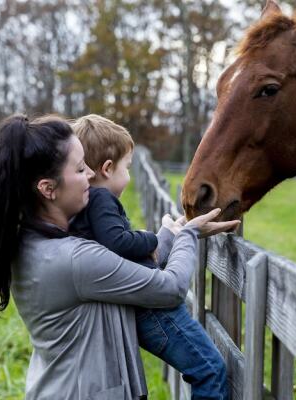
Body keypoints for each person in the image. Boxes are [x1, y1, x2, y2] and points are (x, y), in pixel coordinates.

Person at [0, 114, 239, 399]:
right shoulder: (74, 258)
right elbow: (171, 289)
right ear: (48, 188)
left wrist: (177, 233)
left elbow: (125, 267)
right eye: (81, 168)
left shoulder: (35, 243)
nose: (91, 175)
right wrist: (187, 236)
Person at [70, 114, 229, 399]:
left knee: (206, 366)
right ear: (107, 169)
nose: (128, 176)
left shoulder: (85, 205)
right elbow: (116, 241)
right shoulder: (102, 198)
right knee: (210, 368)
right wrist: (153, 238)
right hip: (154, 310)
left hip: (142, 302)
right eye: (127, 168)